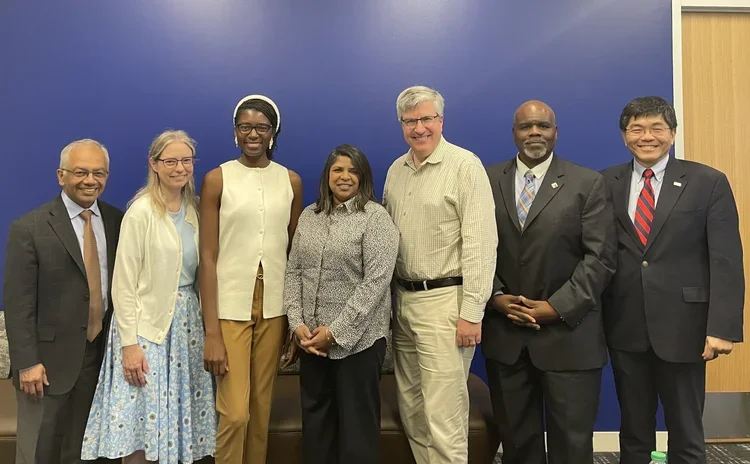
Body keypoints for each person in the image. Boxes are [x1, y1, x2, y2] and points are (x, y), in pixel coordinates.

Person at [601, 96, 744, 464]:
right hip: (624, 327)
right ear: (624, 135)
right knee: (633, 432)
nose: (647, 136)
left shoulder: (707, 181)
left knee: (686, 434)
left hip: (687, 329)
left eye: (656, 128)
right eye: (637, 128)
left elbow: (726, 258)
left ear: (673, 133)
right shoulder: (604, 183)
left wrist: (723, 327)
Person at [483, 100, 617, 464]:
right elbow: (472, 249)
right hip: (507, 336)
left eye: (543, 126)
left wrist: (555, 307)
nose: (534, 133)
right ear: (514, 133)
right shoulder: (486, 180)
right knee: (516, 443)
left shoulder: (587, 183)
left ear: (556, 132)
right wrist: (495, 297)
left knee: (571, 447)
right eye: (526, 127)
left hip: (569, 337)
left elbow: (601, 258)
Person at [80, 130, 217, 463]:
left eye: (186, 160)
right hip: (145, 331)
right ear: (154, 164)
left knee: (180, 429)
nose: (179, 168)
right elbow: (123, 285)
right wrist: (129, 345)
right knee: (141, 428)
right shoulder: (141, 212)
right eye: (170, 161)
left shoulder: (196, 211)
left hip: (185, 330)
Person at [382, 85, 498, 464]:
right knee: (412, 408)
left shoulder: (465, 166)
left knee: (443, 414)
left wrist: (472, 313)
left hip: (447, 305)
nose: (419, 128)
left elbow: (481, 244)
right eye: (410, 120)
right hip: (403, 302)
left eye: (426, 118)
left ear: (441, 120)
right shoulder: (395, 171)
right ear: (401, 124)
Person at [3, 139, 124, 464]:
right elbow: (18, 304)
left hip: (99, 361)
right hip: (45, 366)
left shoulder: (117, 221)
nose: (90, 180)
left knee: (87, 452)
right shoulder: (29, 228)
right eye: (80, 172)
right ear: (61, 175)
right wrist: (27, 362)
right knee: (39, 452)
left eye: (99, 173)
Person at [200, 94, 304, 464]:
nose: (253, 134)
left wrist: (296, 321)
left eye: (261, 127)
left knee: (261, 412)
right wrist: (211, 332)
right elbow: (207, 257)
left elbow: (296, 257)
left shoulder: (290, 181)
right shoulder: (216, 179)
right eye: (245, 127)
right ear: (235, 132)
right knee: (235, 413)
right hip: (230, 306)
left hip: (275, 307)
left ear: (273, 133)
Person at [285, 144, 399, 464]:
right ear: (327, 175)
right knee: (317, 428)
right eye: (338, 170)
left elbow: (376, 283)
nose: (345, 176)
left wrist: (334, 332)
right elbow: (294, 270)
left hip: (358, 345)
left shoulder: (375, 218)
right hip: (312, 345)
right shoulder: (310, 215)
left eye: (352, 170)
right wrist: (298, 326)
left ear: (363, 177)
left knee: (356, 434)